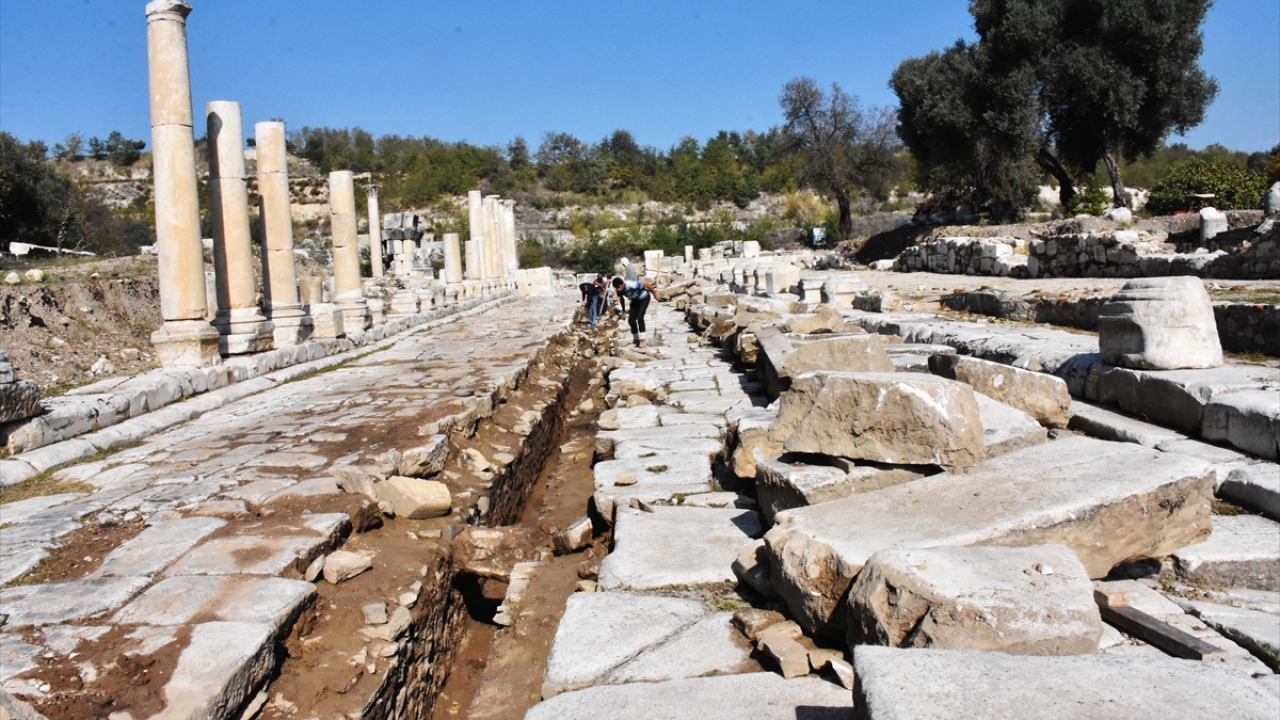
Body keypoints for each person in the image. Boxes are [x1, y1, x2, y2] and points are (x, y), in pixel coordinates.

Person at [612, 275, 657, 347]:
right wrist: (624, 312)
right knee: (631, 320)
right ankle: (636, 339)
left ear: (622, 284)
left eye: (619, 287)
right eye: (617, 288)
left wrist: (655, 294)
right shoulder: (619, 290)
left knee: (640, 317)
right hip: (635, 301)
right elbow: (622, 299)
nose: (619, 289)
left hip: (644, 298)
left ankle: (643, 340)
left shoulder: (631, 284)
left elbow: (646, 285)